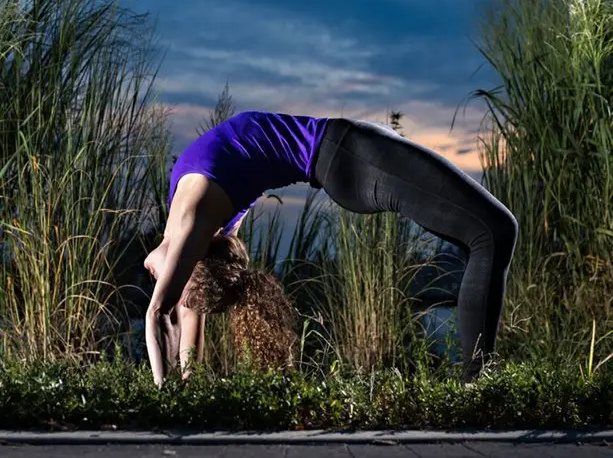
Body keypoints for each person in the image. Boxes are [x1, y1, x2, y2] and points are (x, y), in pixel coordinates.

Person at [144, 110, 518, 387]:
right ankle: (479, 386)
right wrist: (177, 394)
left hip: (350, 152)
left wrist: (171, 393)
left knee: (480, 233)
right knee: (493, 231)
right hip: (349, 158)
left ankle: (478, 383)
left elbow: (163, 311)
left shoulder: (192, 217)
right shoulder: (200, 219)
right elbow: (178, 312)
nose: (161, 281)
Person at [159, 233, 297, 379]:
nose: (182, 300)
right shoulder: (194, 235)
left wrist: (188, 384)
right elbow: (150, 262)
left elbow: (190, 314)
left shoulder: (224, 250)